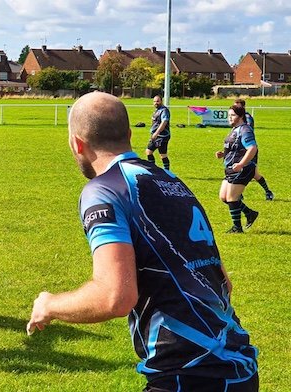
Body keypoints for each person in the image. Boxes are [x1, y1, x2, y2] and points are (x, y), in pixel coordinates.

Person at [27, 92, 258, 391]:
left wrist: (50, 304)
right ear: (129, 134)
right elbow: (224, 282)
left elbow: (115, 297)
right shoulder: (171, 181)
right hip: (239, 367)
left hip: (188, 374)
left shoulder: (103, 190)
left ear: (76, 143)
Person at [216, 105, 260, 233]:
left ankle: (237, 228)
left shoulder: (245, 130)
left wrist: (241, 164)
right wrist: (223, 154)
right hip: (231, 168)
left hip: (242, 169)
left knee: (232, 198)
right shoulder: (235, 129)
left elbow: (252, 148)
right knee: (223, 197)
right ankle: (249, 213)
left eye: (233, 115)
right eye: (229, 115)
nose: (230, 118)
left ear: (241, 116)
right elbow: (236, 148)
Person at [233, 98, 274, 201]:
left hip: (249, 149)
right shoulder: (236, 119)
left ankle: (268, 191)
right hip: (239, 149)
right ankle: (238, 193)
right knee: (237, 170)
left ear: (243, 107)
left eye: (237, 107)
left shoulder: (247, 118)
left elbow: (246, 131)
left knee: (254, 174)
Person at [145, 95, 170, 170]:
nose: (155, 103)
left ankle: (167, 171)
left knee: (163, 155)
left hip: (162, 136)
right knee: (148, 151)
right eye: (154, 101)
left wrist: (156, 133)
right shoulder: (157, 110)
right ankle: (153, 169)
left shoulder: (164, 110)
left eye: (157, 101)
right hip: (155, 136)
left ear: (161, 101)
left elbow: (164, 122)